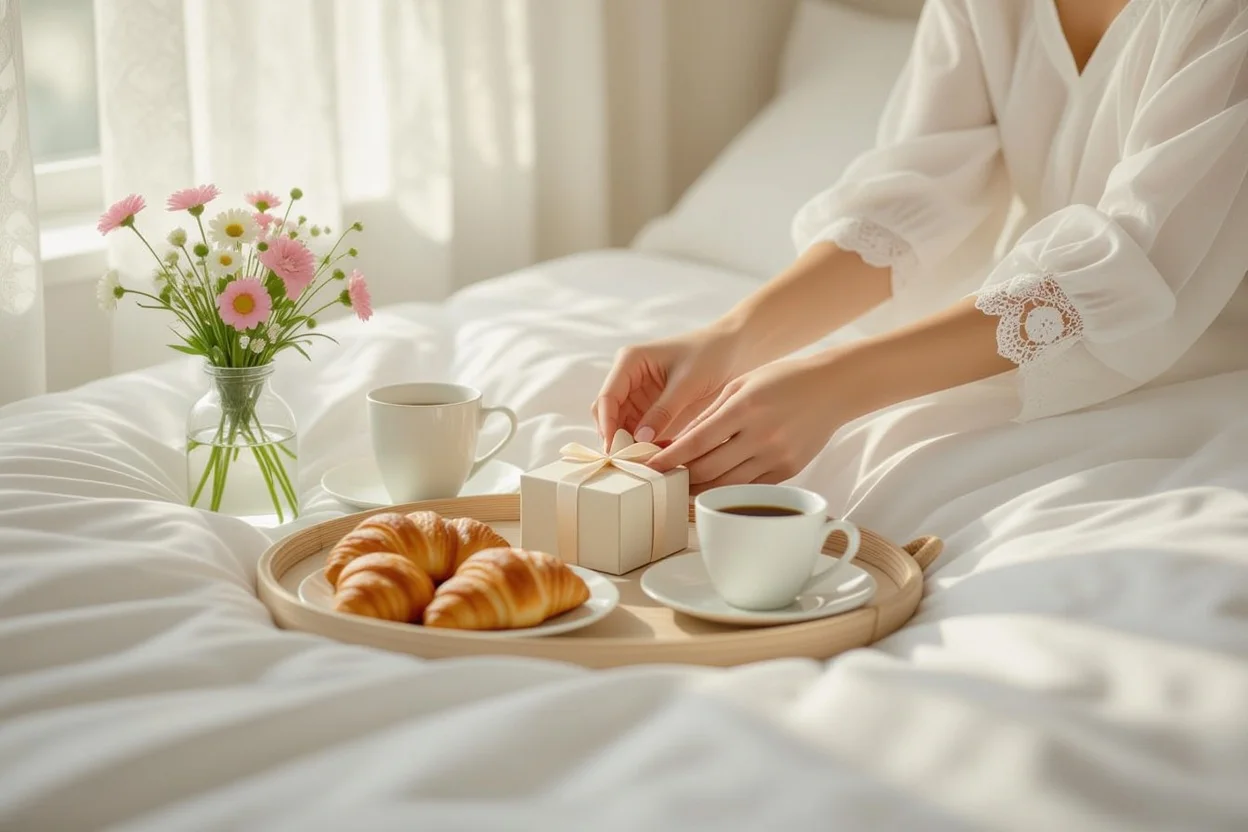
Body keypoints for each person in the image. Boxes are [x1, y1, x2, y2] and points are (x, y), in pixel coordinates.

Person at [593, 0, 1248, 494]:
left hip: (1197, 370)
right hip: (1011, 345)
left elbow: (1140, 261)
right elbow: (914, 194)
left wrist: (838, 383)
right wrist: (733, 339)